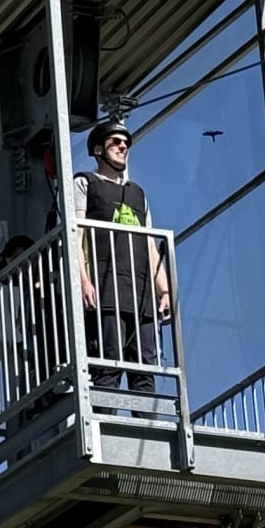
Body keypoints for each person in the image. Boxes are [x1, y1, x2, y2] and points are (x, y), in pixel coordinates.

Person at [73, 116, 172, 389]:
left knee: (145, 372)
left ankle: (146, 430)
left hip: (141, 296)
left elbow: (151, 247)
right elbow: (75, 236)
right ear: (98, 151)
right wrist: (83, 280)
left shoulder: (138, 194)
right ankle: (104, 428)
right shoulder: (85, 184)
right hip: (106, 291)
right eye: (115, 142)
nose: (123, 147)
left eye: (126, 143)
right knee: (108, 366)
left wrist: (164, 291)